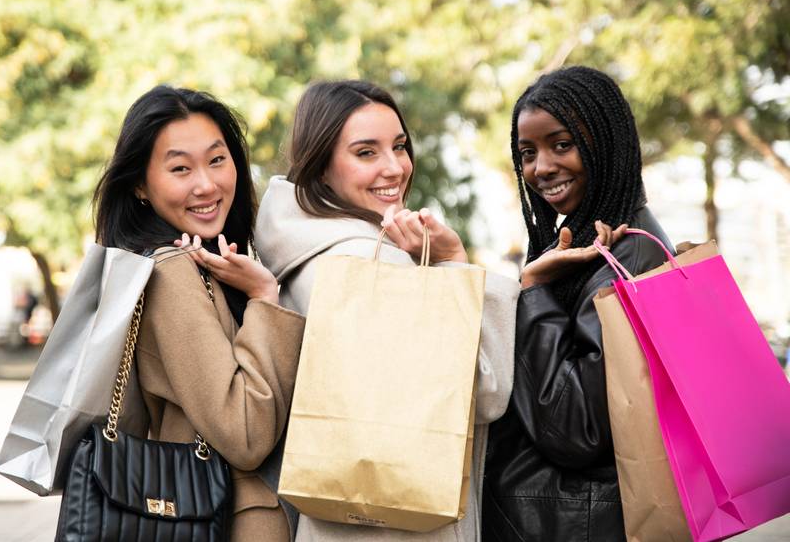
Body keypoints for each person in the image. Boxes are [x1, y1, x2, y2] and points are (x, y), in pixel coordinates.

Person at [251, 80, 520, 541]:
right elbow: (482, 391)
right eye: (366, 152)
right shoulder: (367, 268)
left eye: (398, 146)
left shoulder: (295, 256)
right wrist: (454, 264)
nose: (394, 167)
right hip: (401, 525)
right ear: (320, 167)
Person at [93, 85, 305, 541]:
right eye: (180, 168)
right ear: (139, 186)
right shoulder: (171, 273)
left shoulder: (200, 266)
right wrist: (265, 297)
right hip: (230, 518)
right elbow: (243, 434)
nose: (206, 184)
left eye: (216, 160)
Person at [482, 66, 674, 541]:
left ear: (605, 145)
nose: (541, 167)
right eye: (527, 153)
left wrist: (534, 291)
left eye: (561, 144)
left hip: (581, 523)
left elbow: (573, 429)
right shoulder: (595, 246)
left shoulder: (627, 255)